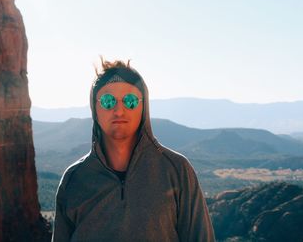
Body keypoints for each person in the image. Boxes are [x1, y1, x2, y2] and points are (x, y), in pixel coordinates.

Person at [52, 59, 215, 242]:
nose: (119, 110)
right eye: (108, 101)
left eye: (130, 101)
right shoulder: (74, 179)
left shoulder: (176, 171)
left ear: (143, 107)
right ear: (94, 108)